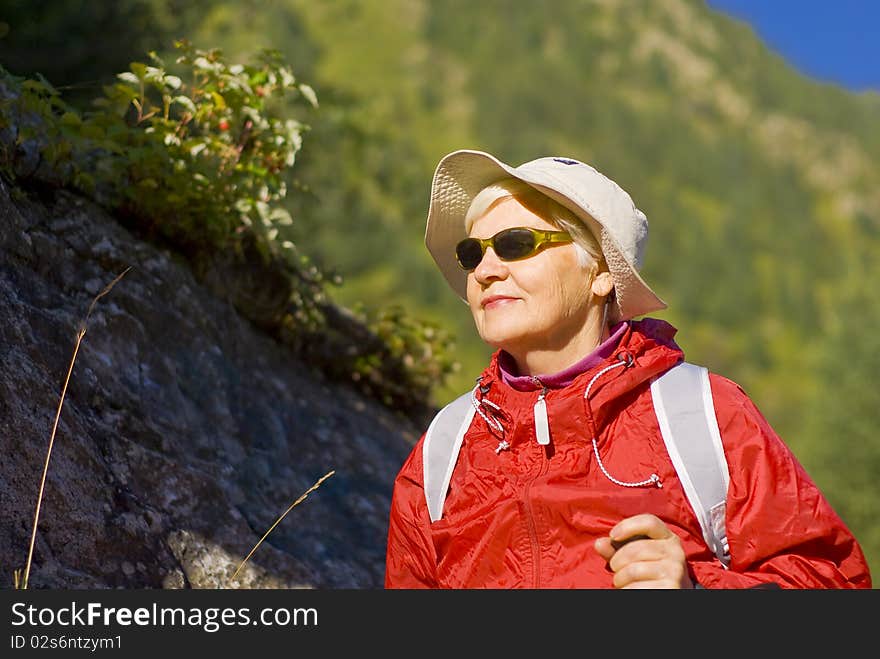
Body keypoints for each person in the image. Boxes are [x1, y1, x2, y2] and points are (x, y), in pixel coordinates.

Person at [384, 149, 872, 589]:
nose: (485, 269)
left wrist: (694, 591)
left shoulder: (707, 415)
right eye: (472, 253)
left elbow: (832, 581)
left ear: (599, 272)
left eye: (515, 243)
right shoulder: (442, 451)